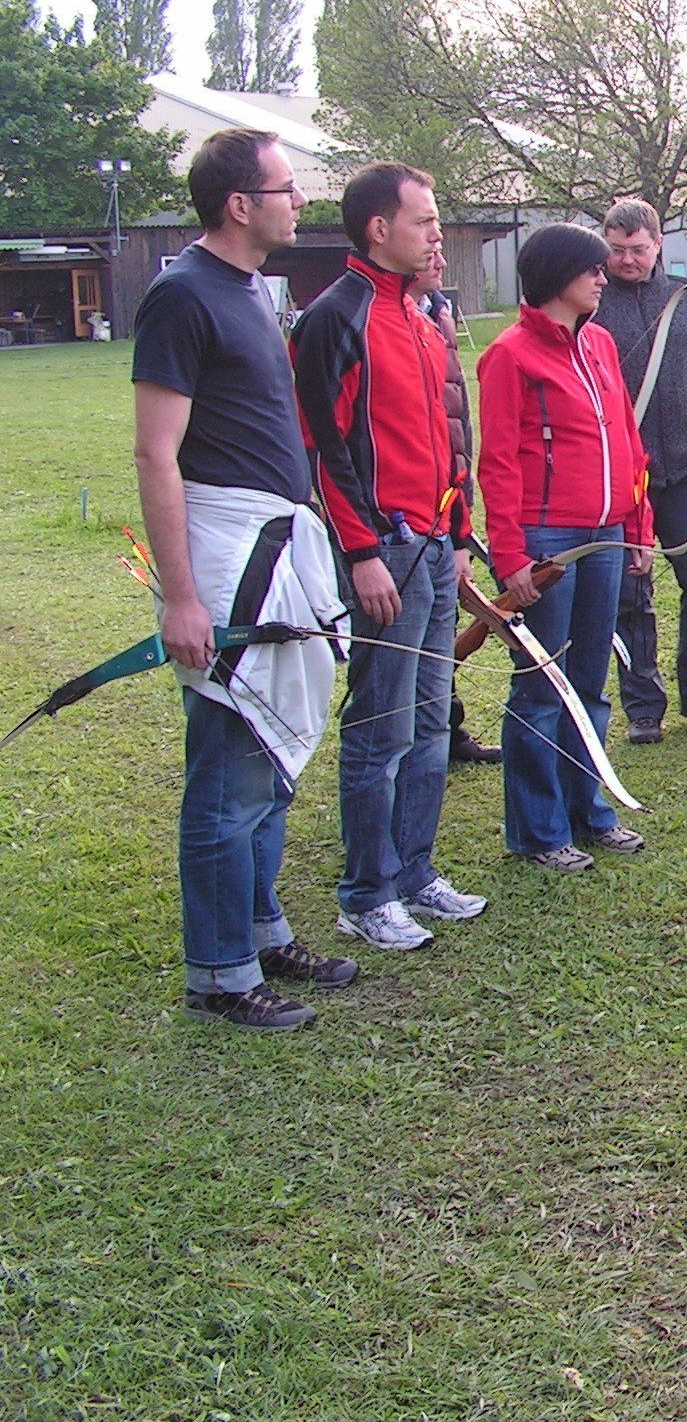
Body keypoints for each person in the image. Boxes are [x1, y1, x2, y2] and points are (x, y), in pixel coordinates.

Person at [132, 127, 355, 1030]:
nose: (299, 202)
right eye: (285, 188)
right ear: (238, 204)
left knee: (267, 763)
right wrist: (183, 598)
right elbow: (156, 455)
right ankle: (220, 974)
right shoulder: (181, 295)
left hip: (276, 546)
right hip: (228, 563)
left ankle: (262, 932)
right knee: (228, 775)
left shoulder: (250, 291)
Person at [293, 161, 486, 952]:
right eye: (424, 221)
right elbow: (322, 448)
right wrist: (361, 552)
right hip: (387, 551)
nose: (437, 234)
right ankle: (366, 894)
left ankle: (414, 872)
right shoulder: (335, 319)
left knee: (432, 720)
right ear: (380, 228)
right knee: (382, 727)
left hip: (436, 548)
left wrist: (460, 537)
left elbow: (446, 438)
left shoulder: (422, 316)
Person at [476, 223, 655, 870]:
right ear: (557, 275)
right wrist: (511, 557)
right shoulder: (509, 356)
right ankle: (539, 831)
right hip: (546, 539)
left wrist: (637, 526)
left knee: (589, 682)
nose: (604, 278)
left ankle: (589, 812)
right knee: (542, 686)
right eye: (592, 269)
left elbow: (628, 443)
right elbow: (498, 463)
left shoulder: (600, 343)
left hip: (605, 535)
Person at [591, 197, 687, 739]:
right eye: (616, 250)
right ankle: (643, 705)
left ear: (658, 244)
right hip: (618, 473)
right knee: (630, 593)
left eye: (637, 249)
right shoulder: (590, 301)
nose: (626, 260)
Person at [417, 251, 500, 764]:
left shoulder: (439, 312)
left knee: (441, 619)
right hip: (398, 520)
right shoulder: (353, 318)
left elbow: (454, 426)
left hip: (446, 504)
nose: (442, 258)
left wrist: (460, 523)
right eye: (426, 236)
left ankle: (444, 730)